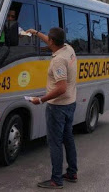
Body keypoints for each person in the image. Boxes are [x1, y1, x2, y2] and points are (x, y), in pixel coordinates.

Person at [26, 27, 78, 189]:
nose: (47, 40)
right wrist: (35, 33)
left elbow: (61, 87)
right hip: (71, 103)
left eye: (48, 38)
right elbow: (50, 40)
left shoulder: (58, 61)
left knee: (55, 143)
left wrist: (41, 100)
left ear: (53, 42)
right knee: (68, 139)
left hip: (58, 107)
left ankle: (56, 180)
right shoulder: (68, 48)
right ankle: (72, 172)